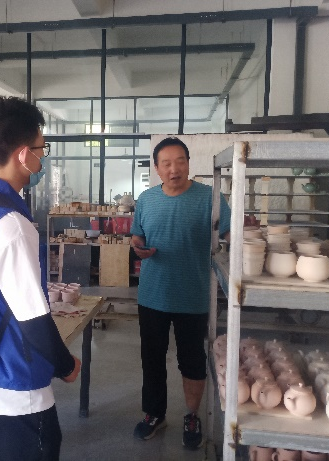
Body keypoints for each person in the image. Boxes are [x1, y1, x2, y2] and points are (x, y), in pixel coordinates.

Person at [0, 96, 81, 461]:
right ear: (23, 155)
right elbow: (33, 320)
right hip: (17, 387)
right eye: (40, 149)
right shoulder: (11, 225)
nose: (42, 159)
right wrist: (66, 365)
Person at [130, 137, 231, 449]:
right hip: (153, 295)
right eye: (166, 163)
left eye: (180, 162)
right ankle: (154, 414)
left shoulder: (210, 197)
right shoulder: (146, 200)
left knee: (192, 360)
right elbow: (137, 236)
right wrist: (138, 248)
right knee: (152, 358)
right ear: (157, 168)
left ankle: (192, 415)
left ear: (188, 163)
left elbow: (231, 234)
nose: (174, 169)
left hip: (193, 296)